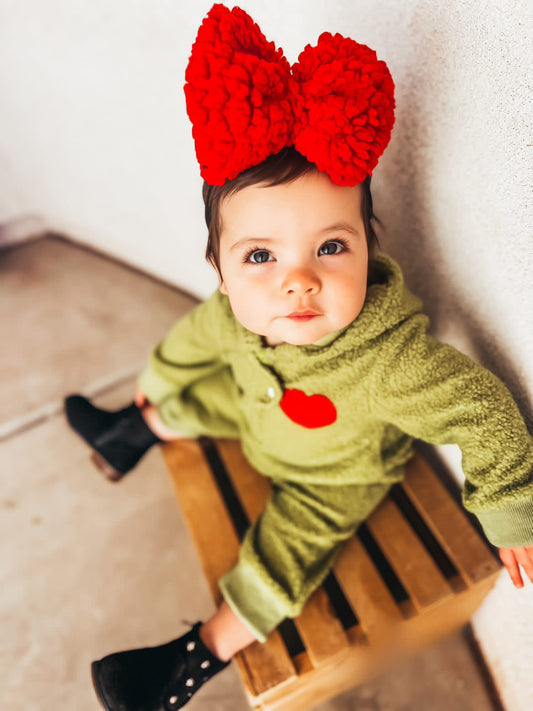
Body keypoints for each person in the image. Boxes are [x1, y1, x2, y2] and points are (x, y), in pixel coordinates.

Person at [64, 4, 533, 710]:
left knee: (285, 553)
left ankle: (192, 656)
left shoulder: (389, 363)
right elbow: (194, 338)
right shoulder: (235, 312)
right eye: (261, 256)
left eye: (331, 246)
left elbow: (482, 409)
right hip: (258, 414)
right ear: (222, 271)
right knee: (197, 396)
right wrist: (157, 381)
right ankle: (128, 430)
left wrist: (509, 508)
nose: (298, 280)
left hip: (332, 474)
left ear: (367, 247)